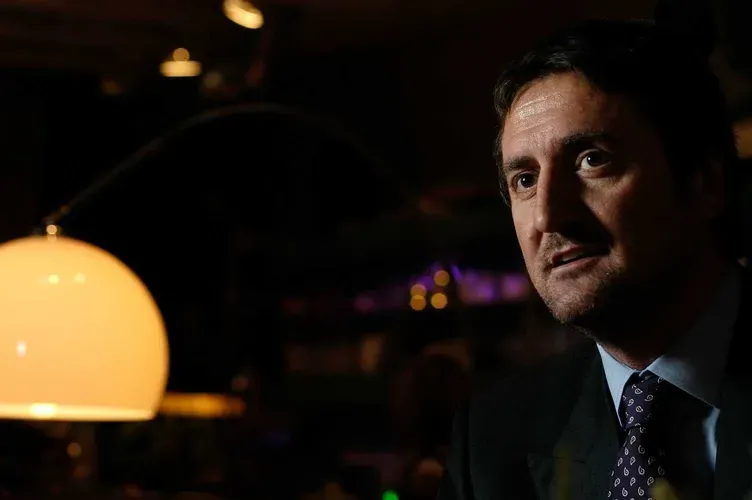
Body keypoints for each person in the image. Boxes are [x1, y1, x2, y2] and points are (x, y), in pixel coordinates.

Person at [437, 18, 752, 500]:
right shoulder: (490, 441)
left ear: (704, 183)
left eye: (592, 159)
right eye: (525, 180)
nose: (548, 214)